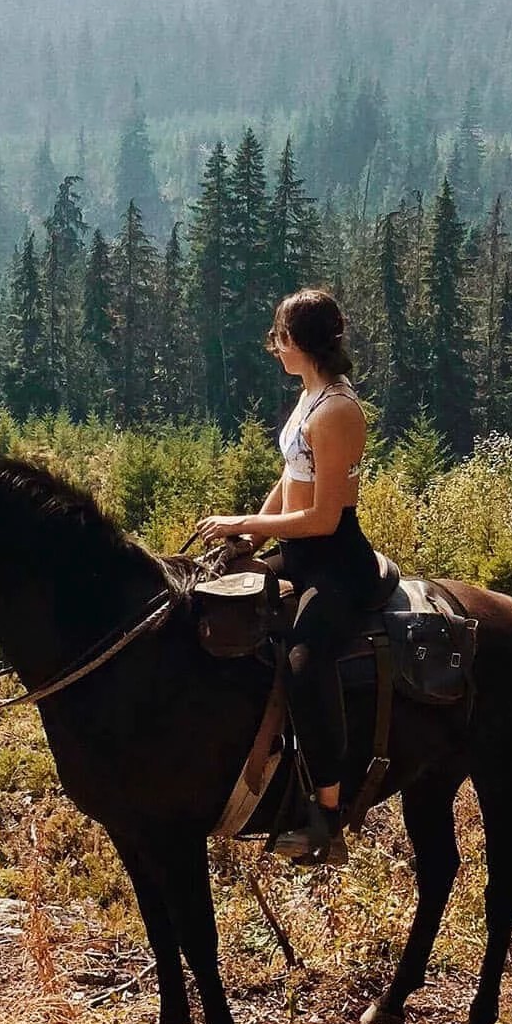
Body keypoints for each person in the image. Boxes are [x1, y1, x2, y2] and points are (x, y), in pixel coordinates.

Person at [198, 288, 385, 864]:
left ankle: (327, 818)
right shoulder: (310, 396)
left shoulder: (338, 411)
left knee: (307, 664)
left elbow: (325, 517)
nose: (273, 346)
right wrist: (247, 543)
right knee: (213, 601)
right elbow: (290, 479)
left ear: (300, 342)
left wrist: (243, 519)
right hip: (299, 554)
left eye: (279, 336)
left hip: (336, 563)